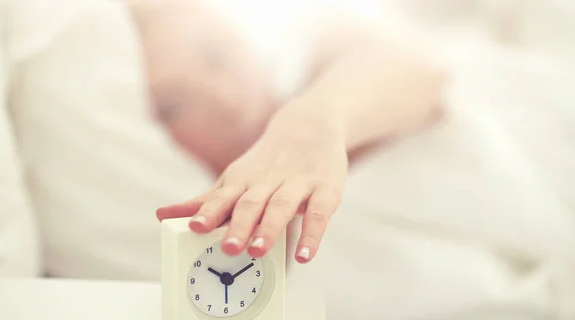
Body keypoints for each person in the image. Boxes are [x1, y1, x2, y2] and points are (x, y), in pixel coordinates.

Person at [130, 0, 447, 263]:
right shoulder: (207, 225)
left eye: (217, 56)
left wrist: (317, 122)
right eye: (175, 105)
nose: (226, 99)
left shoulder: (324, 69)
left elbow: (415, 67)